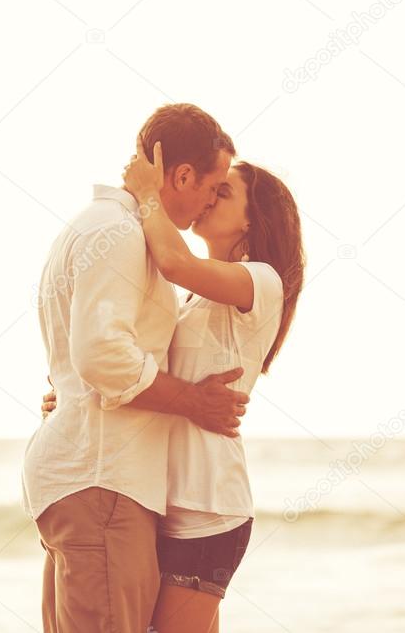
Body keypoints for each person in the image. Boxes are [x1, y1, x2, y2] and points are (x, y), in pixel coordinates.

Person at [42, 138, 306, 632]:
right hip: (165, 502)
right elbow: (141, 365)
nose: (209, 199)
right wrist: (79, 394)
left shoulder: (262, 281)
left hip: (208, 507)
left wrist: (146, 194)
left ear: (252, 221)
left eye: (223, 194)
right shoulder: (193, 301)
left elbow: (175, 262)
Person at [21, 103, 250, 633]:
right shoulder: (118, 231)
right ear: (183, 174)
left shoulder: (105, 226)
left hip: (91, 477)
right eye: (213, 187)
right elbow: (103, 355)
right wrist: (195, 402)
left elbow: (87, 359)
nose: (210, 201)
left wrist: (70, 394)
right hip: (102, 483)